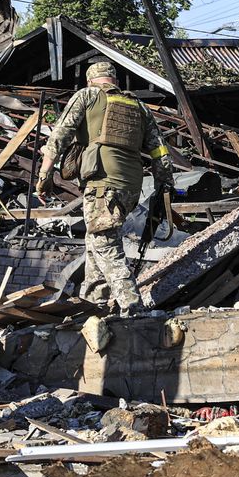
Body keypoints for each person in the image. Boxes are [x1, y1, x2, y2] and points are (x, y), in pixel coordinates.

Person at [35, 61, 173, 315]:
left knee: (104, 242)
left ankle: (132, 305)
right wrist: (165, 183)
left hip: (102, 182)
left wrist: (44, 174)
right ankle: (93, 302)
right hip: (131, 185)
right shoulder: (138, 106)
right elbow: (160, 150)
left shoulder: (87, 95)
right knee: (94, 240)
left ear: (91, 81)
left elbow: (60, 136)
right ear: (115, 81)